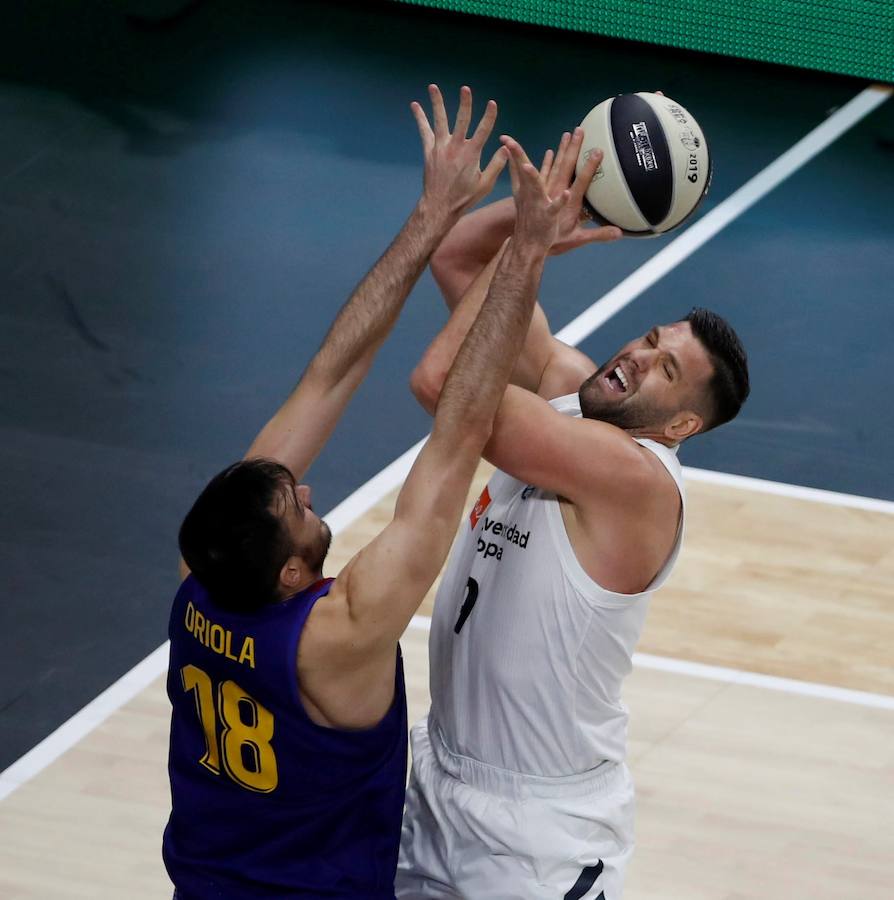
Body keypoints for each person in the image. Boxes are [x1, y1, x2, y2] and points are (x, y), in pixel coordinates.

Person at [162, 83, 575, 899]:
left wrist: (433, 215)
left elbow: (331, 373)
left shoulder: (200, 578)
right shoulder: (338, 635)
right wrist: (523, 253)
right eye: (299, 509)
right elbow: (459, 434)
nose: (308, 490)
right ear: (290, 574)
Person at [398, 128, 750, 898]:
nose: (638, 355)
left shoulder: (636, 479)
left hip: (540, 833)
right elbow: (458, 258)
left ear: (681, 424)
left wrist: (530, 250)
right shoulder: (569, 391)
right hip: (437, 781)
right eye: (650, 339)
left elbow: (443, 388)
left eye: (665, 368)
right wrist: (553, 210)